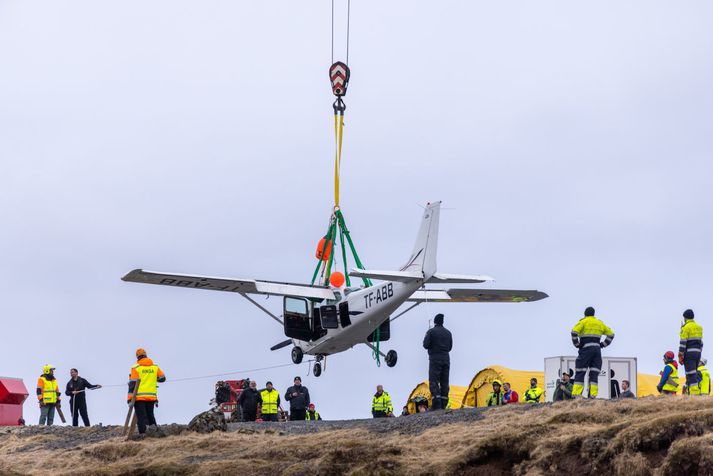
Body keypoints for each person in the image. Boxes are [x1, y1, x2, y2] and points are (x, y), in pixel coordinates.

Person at [571, 306, 615, 398]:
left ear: (585, 314)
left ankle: (576, 395)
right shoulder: (599, 323)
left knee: (580, 372)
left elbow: (574, 332)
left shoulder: (583, 322)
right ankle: (593, 395)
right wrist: (603, 344)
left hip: (585, 351)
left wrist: (577, 344)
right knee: (594, 374)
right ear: (593, 314)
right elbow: (611, 334)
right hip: (597, 352)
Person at [128, 348, 166, 435]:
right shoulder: (155, 367)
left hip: (139, 397)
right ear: (146, 355)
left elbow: (132, 385)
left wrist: (129, 399)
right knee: (150, 415)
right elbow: (162, 378)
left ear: (137, 357)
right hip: (151, 397)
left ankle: (143, 435)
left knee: (141, 417)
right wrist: (152, 379)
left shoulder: (135, 368)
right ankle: (155, 433)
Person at [422, 313, 452, 410]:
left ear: (435, 321)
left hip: (435, 359)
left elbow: (425, 345)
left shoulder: (431, 332)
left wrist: (427, 334)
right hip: (446, 359)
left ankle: (437, 404)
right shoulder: (448, 333)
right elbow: (450, 347)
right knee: (445, 381)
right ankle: (444, 403)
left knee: (434, 381)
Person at [679, 309, 704, 395]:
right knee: (694, 372)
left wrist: (680, 355)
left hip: (689, 354)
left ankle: (694, 394)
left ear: (685, 317)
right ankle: (690, 392)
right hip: (697, 354)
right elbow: (701, 343)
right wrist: (698, 352)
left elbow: (683, 343)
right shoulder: (699, 327)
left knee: (691, 374)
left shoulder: (686, 327)